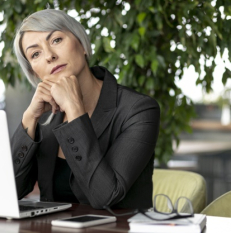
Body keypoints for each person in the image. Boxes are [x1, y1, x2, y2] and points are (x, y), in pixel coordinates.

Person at [10, 9, 160, 209]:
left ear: (81, 44)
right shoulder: (45, 120)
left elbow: (105, 196)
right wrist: (29, 118)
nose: (49, 56)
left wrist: (74, 109)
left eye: (56, 40)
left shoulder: (138, 110)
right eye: (36, 53)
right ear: (34, 73)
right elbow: (11, 191)